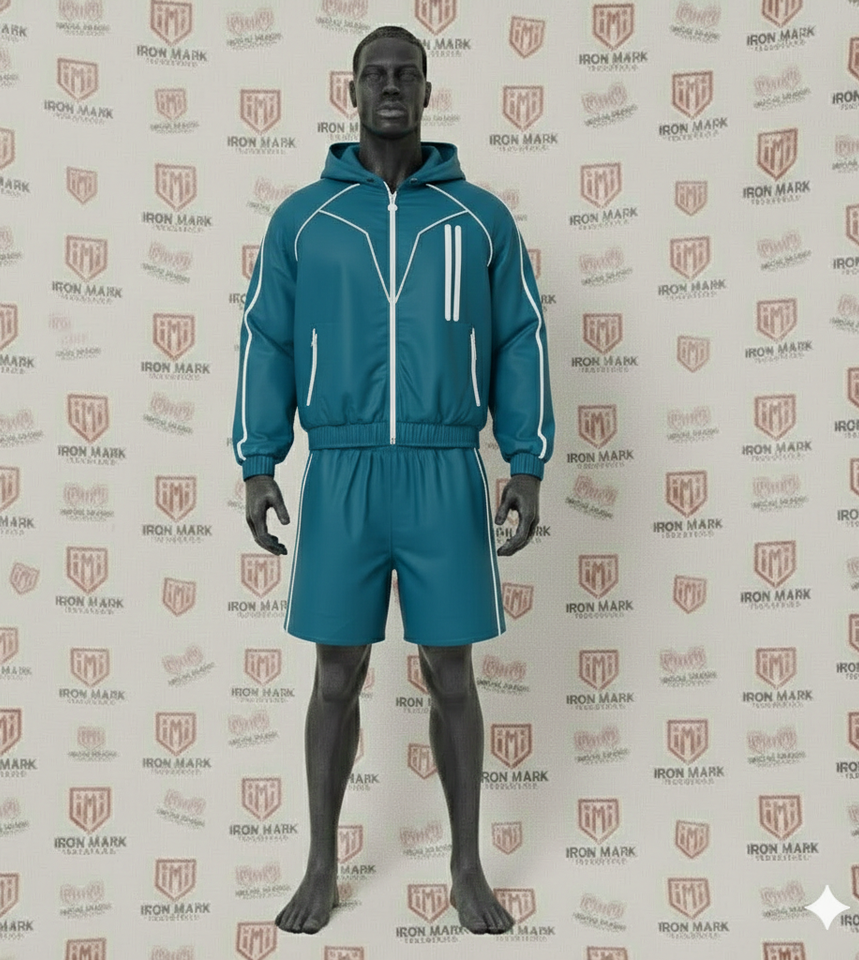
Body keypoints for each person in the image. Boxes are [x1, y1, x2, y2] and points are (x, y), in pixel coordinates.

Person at [234, 24, 554, 935]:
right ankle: (320, 864)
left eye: (404, 74)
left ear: (426, 90)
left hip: (445, 466)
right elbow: (266, 337)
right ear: (350, 90)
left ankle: (465, 866)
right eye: (373, 74)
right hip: (340, 469)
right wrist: (258, 460)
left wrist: (526, 460)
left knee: (451, 670)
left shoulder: (477, 218)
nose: (388, 87)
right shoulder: (304, 219)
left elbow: (519, 336)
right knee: (336, 673)